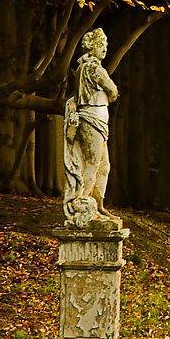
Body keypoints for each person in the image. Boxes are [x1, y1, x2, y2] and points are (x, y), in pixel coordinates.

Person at [63, 27, 119, 227]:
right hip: (91, 118)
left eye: (105, 45)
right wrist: (110, 94)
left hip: (98, 119)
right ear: (92, 48)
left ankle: (98, 204)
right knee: (93, 163)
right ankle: (82, 202)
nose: (104, 49)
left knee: (104, 165)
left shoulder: (85, 68)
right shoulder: (93, 68)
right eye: (101, 45)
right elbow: (112, 91)